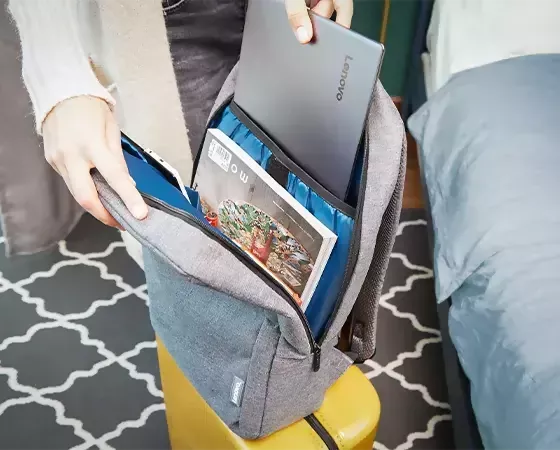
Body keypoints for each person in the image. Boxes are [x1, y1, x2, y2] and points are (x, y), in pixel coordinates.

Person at [7, 0, 353, 237]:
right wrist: (58, 71)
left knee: (294, 184)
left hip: (279, 10)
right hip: (168, 17)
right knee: (201, 224)